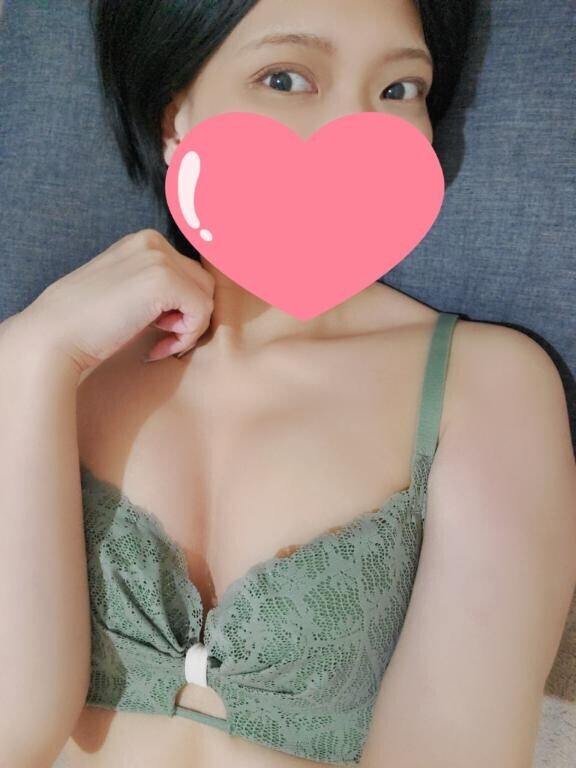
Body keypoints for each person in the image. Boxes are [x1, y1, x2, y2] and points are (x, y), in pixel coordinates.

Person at [1, 1, 575, 767]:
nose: (353, 130)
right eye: (285, 78)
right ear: (175, 114)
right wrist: (32, 355)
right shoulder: (55, 360)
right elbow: (13, 731)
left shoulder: (488, 383)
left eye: (399, 89)